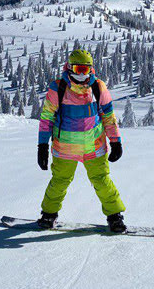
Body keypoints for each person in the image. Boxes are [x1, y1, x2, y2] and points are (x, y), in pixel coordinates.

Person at [37, 48, 126, 233]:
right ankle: (48, 214)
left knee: (102, 180)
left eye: (85, 70)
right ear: (69, 67)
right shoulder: (58, 87)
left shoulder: (98, 87)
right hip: (65, 148)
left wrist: (115, 141)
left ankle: (115, 216)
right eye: (78, 69)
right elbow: (46, 118)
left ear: (91, 69)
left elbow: (108, 116)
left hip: (94, 146)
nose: (81, 74)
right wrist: (42, 146)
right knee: (60, 181)